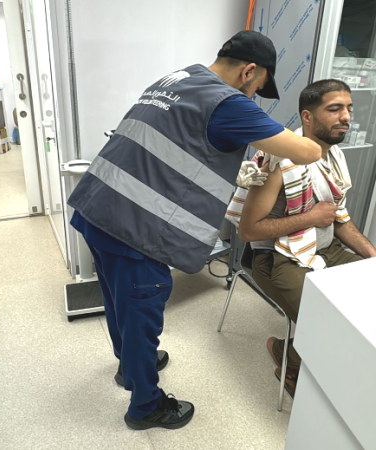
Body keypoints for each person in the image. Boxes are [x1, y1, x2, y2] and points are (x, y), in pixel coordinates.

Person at [67, 30, 321, 431]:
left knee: (118, 302)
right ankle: (145, 406)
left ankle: (130, 366)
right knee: (141, 313)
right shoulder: (228, 102)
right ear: (248, 71)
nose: (254, 95)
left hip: (98, 206)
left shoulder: (177, 78)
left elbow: (179, 147)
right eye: (257, 86)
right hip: (135, 227)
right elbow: (309, 151)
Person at [238, 79, 376, 396]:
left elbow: (338, 218)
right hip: (279, 258)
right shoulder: (279, 161)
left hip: (326, 248)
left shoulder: (334, 158)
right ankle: (289, 361)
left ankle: (319, 357)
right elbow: (248, 231)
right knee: (332, 320)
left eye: (349, 109)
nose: (346, 117)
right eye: (335, 109)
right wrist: (311, 218)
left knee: (368, 305)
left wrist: (372, 255)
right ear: (308, 117)